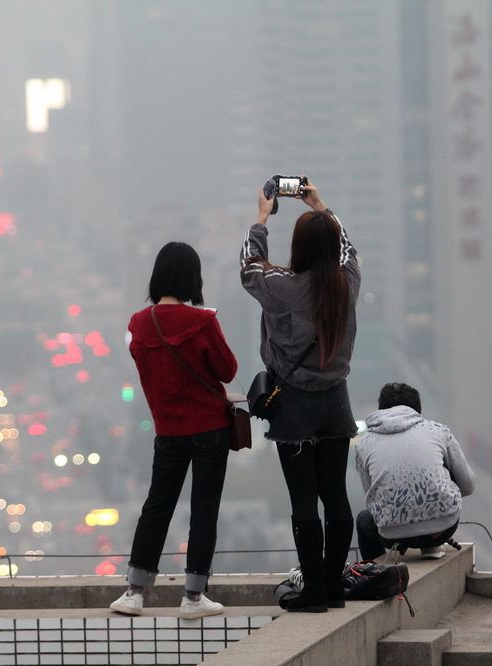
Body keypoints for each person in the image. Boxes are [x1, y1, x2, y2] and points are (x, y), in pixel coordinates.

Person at [239, 180, 360, 613]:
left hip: (293, 406)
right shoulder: (347, 282)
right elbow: (349, 252)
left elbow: (248, 268)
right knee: (337, 496)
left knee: (303, 501)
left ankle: (313, 592)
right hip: (337, 401)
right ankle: (333, 584)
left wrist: (261, 218)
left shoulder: (281, 286)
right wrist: (322, 207)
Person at [110, 242, 238, 618]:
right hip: (210, 428)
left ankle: (134, 591)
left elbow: (148, 374)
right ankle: (194, 597)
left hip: (168, 430)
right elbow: (227, 370)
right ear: (192, 278)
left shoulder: (138, 324)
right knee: (203, 511)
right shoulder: (203, 322)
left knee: (157, 506)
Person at [354, 383, 475, 561]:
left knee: (364, 520)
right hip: (443, 528)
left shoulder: (363, 444)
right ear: (417, 410)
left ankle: (376, 575)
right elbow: (468, 486)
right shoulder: (438, 431)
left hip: (392, 535)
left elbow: (371, 497)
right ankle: (431, 547)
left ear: (381, 409)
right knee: (438, 468)